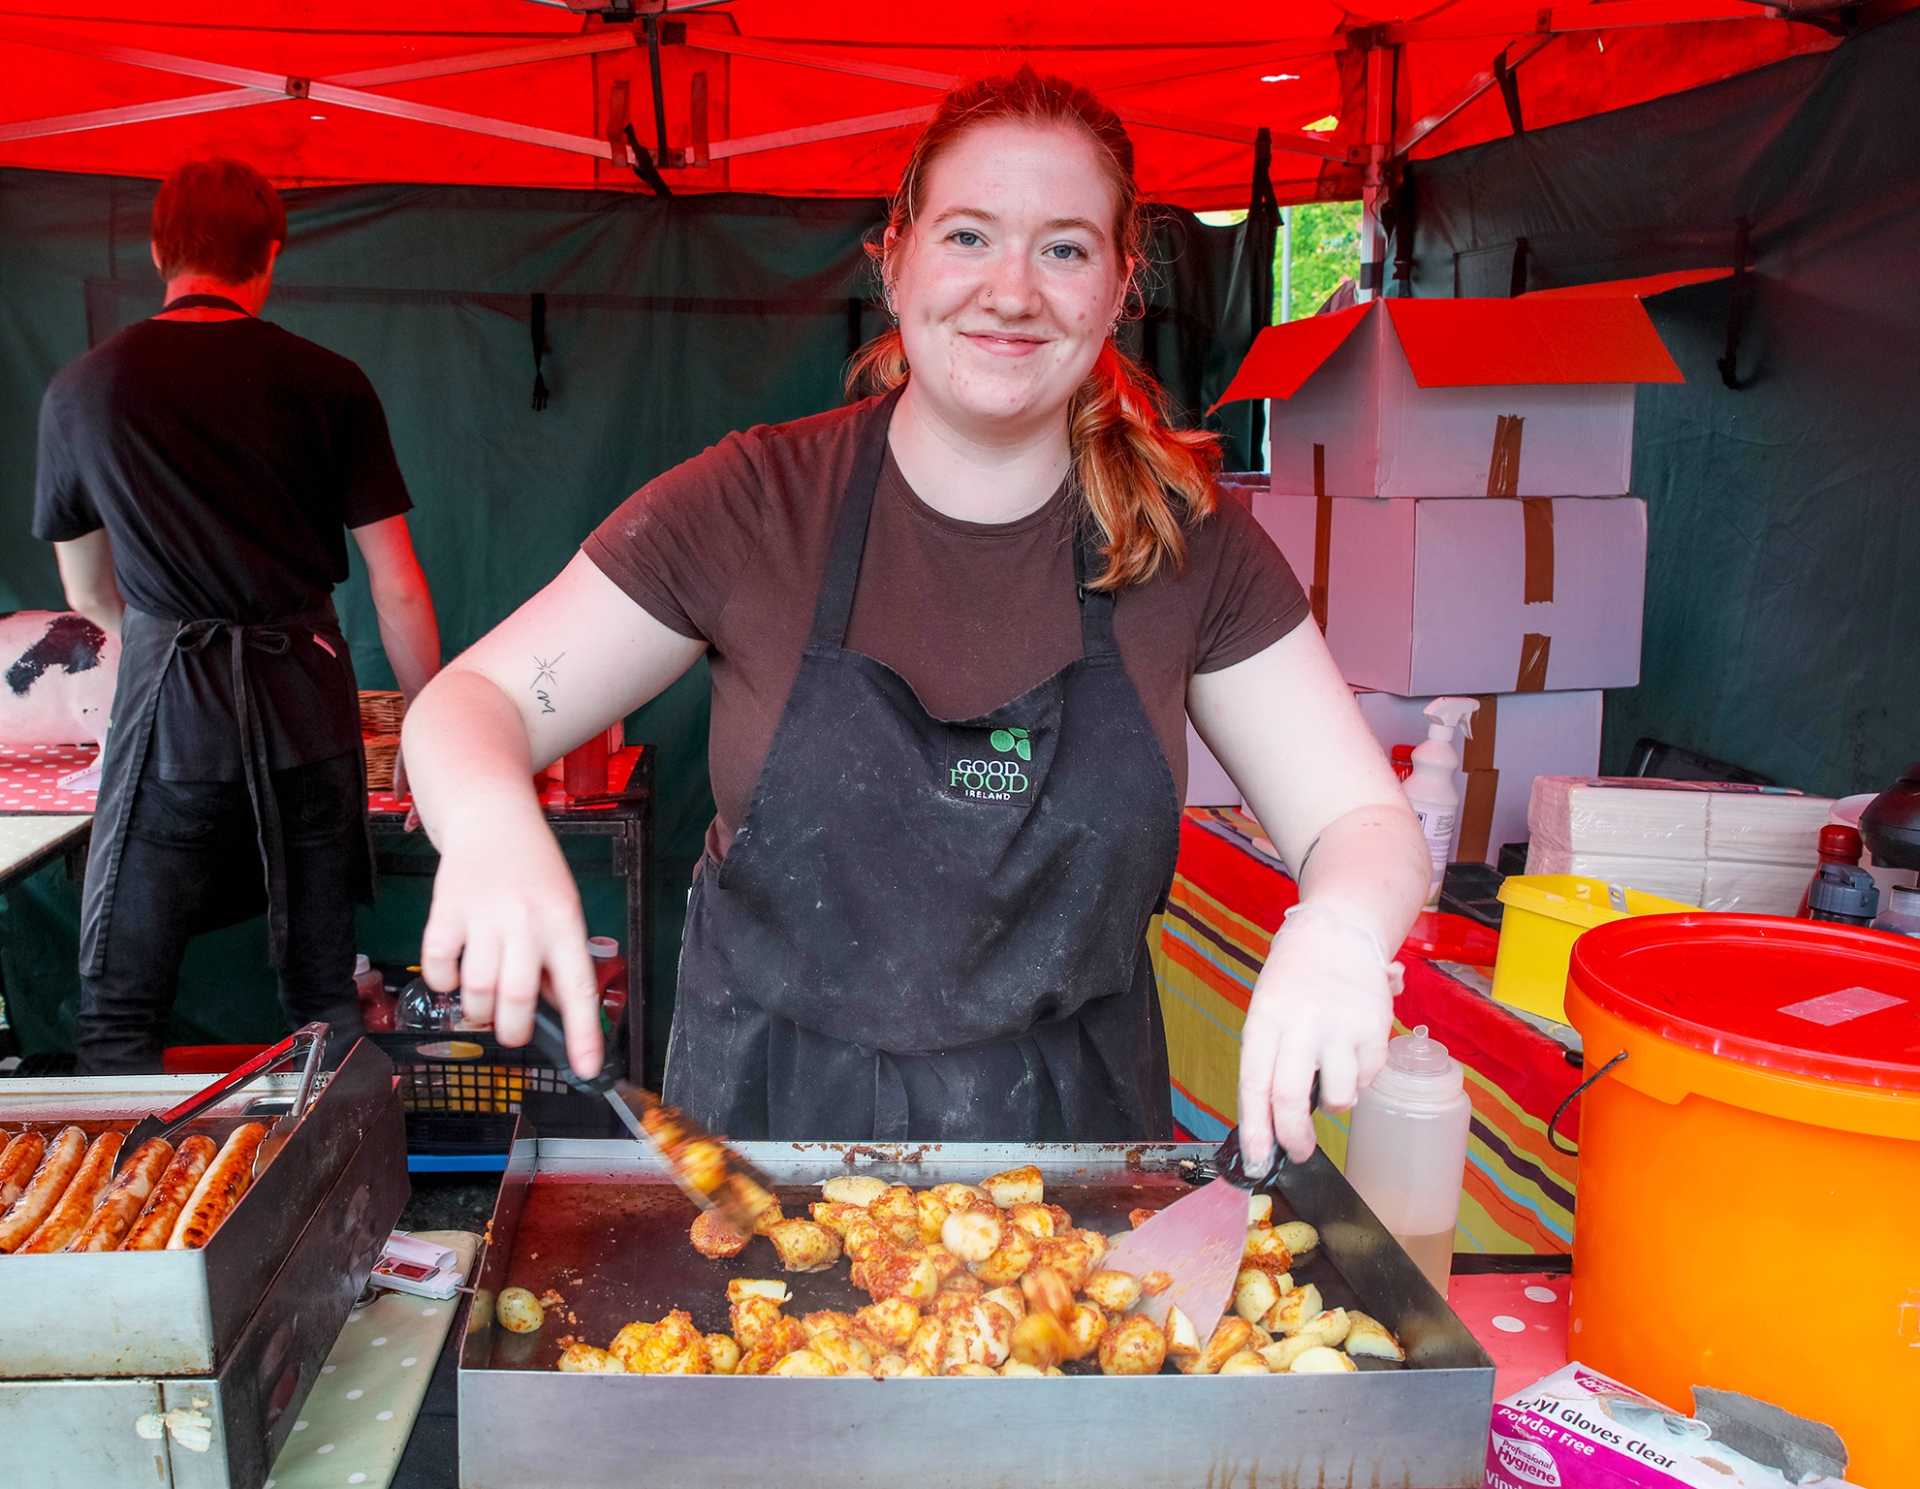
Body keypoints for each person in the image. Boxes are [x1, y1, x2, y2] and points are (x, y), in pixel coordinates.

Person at [402, 70, 1428, 1170]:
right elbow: (477, 701)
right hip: (765, 1148)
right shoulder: (752, 504)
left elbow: (1361, 822)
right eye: (971, 235)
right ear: (894, 258)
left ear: (1123, 285)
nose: (1013, 290)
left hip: (1074, 1182)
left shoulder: (1192, 545)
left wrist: (1342, 927)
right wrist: (492, 821)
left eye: (1066, 249)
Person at [33, 158, 441, 1073]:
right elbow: (398, 583)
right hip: (308, 707)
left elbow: (87, 595)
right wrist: (433, 725)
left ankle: (128, 1207)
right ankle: (336, 1199)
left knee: (119, 1006)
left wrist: (159, 638)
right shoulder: (330, 381)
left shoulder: (83, 389)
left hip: (169, 714)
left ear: (157, 249)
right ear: (268, 255)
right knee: (323, 996)